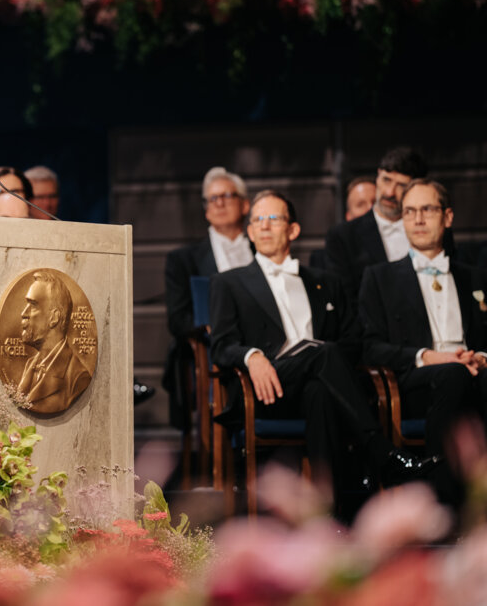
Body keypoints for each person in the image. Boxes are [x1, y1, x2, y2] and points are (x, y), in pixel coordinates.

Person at [210, 190, 435, 503]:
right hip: (267, 387)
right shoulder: (229, 283)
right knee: (324, 353)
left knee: (319, 390)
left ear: (293, 230)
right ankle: (379, 450)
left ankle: (327, 510)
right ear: (249, 231)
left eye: (273, 218)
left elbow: (353, 341)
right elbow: (221, 346)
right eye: (257, 220)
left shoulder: (325, 282)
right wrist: (252, 356)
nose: (264, 226)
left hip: (321, 385)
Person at [359, 179, 487, 503]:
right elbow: (369, 347)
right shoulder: (379, 277)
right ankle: (442, 501)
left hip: (473, 373)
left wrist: (482, 357)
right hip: (416, 383)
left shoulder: (475, 276)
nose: (418, 219)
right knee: (452, 375)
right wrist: (429, 356)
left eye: (427, 209)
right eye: (409, 211)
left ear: (448, 217)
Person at [162, 167, 251, 421]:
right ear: (206, 210)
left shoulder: (263, 251)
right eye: (213, 198)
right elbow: (178, 320)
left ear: (245, 205)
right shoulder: (183, 260)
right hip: (214, 351)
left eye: (227, 196)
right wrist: (213, 325)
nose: (219, 203)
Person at [325, 148, 430, 298]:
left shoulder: (433, 231)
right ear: (378, 175)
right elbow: (344, 300)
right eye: (386, 180)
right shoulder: (343, 236)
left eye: (401, 185)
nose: (389, 192)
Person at [16, 271, 92, 413]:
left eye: (33, 305)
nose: (23, 313)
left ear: (54, 318)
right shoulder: (30, 365)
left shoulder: (77, 378)